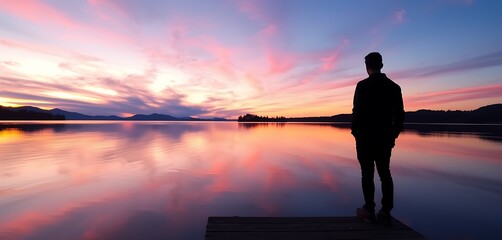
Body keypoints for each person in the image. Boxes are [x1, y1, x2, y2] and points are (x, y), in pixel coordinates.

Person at [351, 52, 404, 226]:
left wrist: (356, 134)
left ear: (367, 67)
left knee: (367, 174)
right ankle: (385, 212)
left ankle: (369, 210)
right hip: (384, 139)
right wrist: (393, 134)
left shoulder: (362, 86)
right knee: (385, 174)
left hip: (366, 139)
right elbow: (400, 115)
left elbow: (356, 113)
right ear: (381, 65)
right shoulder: (394, 87)